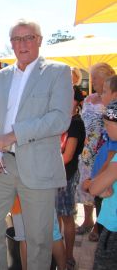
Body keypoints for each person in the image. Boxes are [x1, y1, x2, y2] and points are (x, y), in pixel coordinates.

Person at [0, 19, 72, 270]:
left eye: (28, 37)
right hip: (1, 163)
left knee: (38, 237)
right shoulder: (0, 77)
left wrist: (14, 135)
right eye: (16, 39)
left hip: (38, 165)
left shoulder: (58, 72)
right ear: (11, 44)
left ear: (40, 40)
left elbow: (60, 118)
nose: (22, 44)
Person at [76, 62, 115, 241]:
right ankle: (89, 221)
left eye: (95, 78)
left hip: (104, 149)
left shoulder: (112, 105)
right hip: (88, 149)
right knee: (87, 183)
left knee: (101, 187)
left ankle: (101, 227)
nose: (92, 81)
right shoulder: (91, 98)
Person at [57, 86, 86, 269]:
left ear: (76, 102)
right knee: (55, 218)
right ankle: (58, 253)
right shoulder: (60, 120)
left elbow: (67, 157)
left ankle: (68, 256)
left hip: (65, 176)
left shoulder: (75, 123)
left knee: (67, 217)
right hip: (55, 175)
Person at [89, 100, 117, 270]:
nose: (105, 128)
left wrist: (98, 187)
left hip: (114, 227)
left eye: (107, 124)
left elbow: (94, 188)